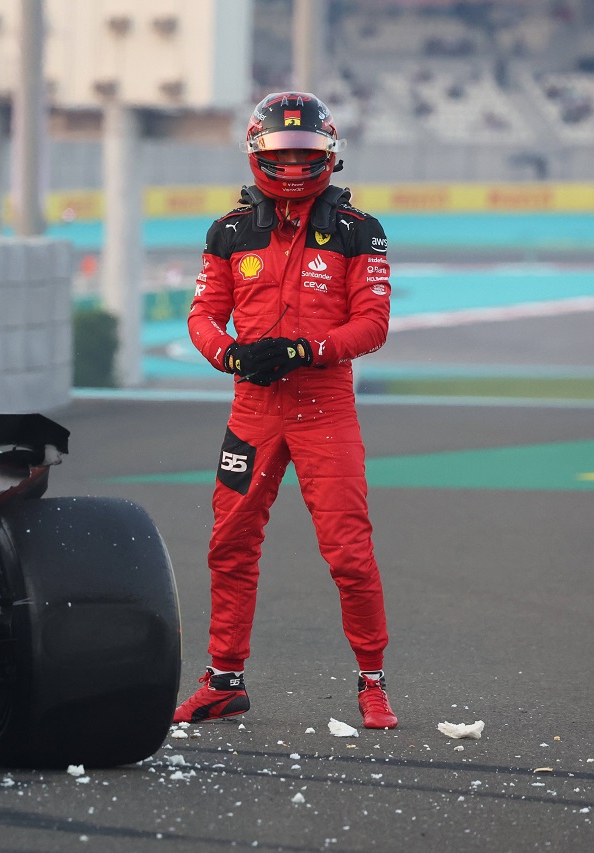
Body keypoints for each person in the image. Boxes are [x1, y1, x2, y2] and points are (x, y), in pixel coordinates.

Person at [174, 92, 398, 730]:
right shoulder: (228, 231)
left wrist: (308, 348)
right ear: (256, 154)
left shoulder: (360, 230)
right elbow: (203, 316)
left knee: (349, 553)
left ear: (328, 154)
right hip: (252, 409)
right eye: (281, 154)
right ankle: (224, 681)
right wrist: (230, 356)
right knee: (229, 546)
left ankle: (373, 683)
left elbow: (373, 325)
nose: (294, 166)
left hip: (326, 408)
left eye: (306, 154)